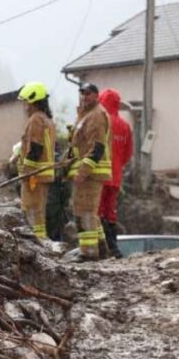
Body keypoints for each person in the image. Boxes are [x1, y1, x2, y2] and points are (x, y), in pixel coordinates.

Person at [67, 83, 112, 260]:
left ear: (96, 95)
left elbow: (97, 147)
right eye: (82, 93)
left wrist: (83, 171)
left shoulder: (96, 115)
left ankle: (88, 252)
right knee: (89, 212)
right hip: (88, 172)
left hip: (91, 173)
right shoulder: (86, 115)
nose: (84, 96)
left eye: (88, 93)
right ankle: (100, 249)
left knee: (84, 211)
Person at [17, 82, 57, 240]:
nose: (26, 107)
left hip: (34, 175)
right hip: (44, 174)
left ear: (34, 101)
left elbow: (35, 148)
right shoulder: (47, 120)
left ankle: (36, 242)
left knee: (31, 210)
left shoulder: (35, 120)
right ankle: (40, 240)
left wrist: (26, 172)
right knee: (39, 211)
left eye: (27, 102)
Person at [98, 88, 133, 258]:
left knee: (97, 210)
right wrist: (117, 165)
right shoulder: (125, 126)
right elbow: (128, 154)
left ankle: (105, 246)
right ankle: (114, 246)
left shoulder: (101, 122)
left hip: (99, 174)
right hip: (116, 176)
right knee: (110, 211)